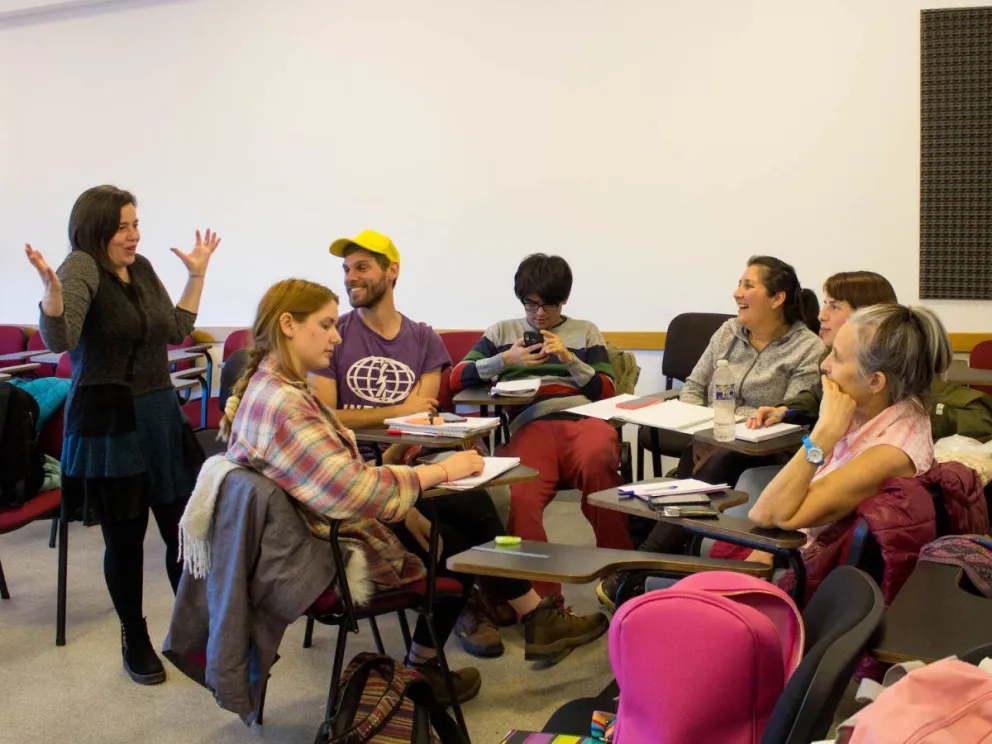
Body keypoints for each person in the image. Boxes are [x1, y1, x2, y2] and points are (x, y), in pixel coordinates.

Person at [222, 279, 608, 704]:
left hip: (322, 525)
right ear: (288, 325)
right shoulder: (286, 405)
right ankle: (451, 655)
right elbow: (352, 492)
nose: (337, 335)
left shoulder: (273, 389)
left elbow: (330, 480)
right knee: (460, 542)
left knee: (462, 505)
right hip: (326, 549)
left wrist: (400, 471)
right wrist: (438, 472)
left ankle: (524, 620)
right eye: (327, 324)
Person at [310, 230, 607, 660]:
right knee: (468, 510)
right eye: (346, 269)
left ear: (391, 271)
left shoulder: (424, 338)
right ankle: (515, 609)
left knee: (476, 482)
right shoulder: (333, 337)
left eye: (361, 267)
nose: (350, 278)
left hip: (408, 457)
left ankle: (492, 608)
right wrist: (398, 413)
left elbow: (425, 415)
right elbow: (331, 418)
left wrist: (569, 360)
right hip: (357, 470)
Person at [26, 185, 218, 685]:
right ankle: (135, 636)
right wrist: (50, 297)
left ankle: (193, 633)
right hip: (110, 418)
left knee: (183, 529)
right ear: (96, 228)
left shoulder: (145, 267)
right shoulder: (81, 267)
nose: (135, 235)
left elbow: (176, 330)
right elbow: (61, 339)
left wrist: (196, 275)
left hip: (157, 413)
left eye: (136, 224)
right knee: (126, 538)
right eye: (124, 226)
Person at [450, 253, 631, 597]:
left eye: (549, 306)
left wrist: (569, 358)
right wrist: (506, 359)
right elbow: (457, 378)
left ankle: (620, 575)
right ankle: (544, 602)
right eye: (531, 305)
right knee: (517, 493)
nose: (539, 315)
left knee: (599, 465)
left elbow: (606, 390)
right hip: (529, 423)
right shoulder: (502, 332)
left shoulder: (586, 331)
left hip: (584, 420)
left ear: (564, 300)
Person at [748, 303, 952, 546]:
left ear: (875, 381)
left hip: (807, 569)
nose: (825, 366)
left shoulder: (890, 454)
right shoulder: (870, 412)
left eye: (838, 357)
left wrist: (824, 434)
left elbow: (765, 514)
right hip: (789, 550)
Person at [736, 271, 898, 497]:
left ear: (867, 316)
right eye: (824, 304)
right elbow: (817, 396)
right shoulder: (829, 356)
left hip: (850, 478)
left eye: (834, 306)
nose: (821, 316)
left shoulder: (898, 380)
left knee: (748, 480)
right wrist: (786, 409)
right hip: (828, 465)